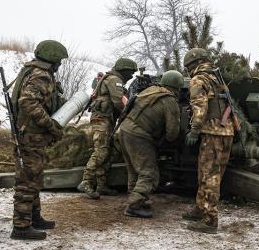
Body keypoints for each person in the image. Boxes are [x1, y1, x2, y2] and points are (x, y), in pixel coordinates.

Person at [10, 40, 68, 240]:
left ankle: (34, 218)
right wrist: (50, 125)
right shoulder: (41, 75)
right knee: (28, 180)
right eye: (59, 61)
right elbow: (28, 102)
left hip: (31, 135)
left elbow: (42, 100)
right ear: (52, 59)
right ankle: (21, 227)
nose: (60, 65)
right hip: (31, 136)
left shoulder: (33, 71)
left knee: (34, 178)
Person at [182, 48, 234, 234]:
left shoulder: (199, 79)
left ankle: (210, 221)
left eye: (188, 67)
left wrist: (194, 130)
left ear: (193, 65)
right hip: (226, 131)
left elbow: (200, 107)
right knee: (208, 173)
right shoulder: (217, 78)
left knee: (209, 176)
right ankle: (200, 209)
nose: (188, 71)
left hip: (212, 133)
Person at [118, 70, 183, 218]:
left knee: (134, 169)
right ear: (177, 87)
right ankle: (134, 205)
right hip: (139, 135)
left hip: (124, 129)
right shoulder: (170, 100)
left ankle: (136, 198)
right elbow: (172, 132)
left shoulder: (150, 90)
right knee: (149, 173)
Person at [77, 58, 137, 199]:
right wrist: (129, 114)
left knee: (108, 151)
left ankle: (101, 185)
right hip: (102, 120)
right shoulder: (114, 80)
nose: (131, 76)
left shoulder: (111, 78)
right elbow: (118, 100)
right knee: (102, 151)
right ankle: (86, 181)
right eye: (131, 73)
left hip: (106, 120)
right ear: (124, 70)